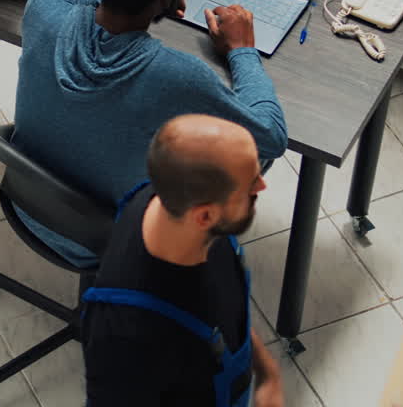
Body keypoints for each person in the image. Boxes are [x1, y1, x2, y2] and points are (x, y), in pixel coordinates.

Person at [12, 0, 287, 266]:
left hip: (26, 199)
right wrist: (242, 50)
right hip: (104, 237)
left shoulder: (42, 8)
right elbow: (272, 136)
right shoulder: (178, 77)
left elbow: (73, 1)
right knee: (249, 151)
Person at [82, 114, 283, 407]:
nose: (261, 186)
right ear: (204, 216)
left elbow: (225, 311)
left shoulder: (177, 205)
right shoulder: (126, 338)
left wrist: (268, 373)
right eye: (250, 185)